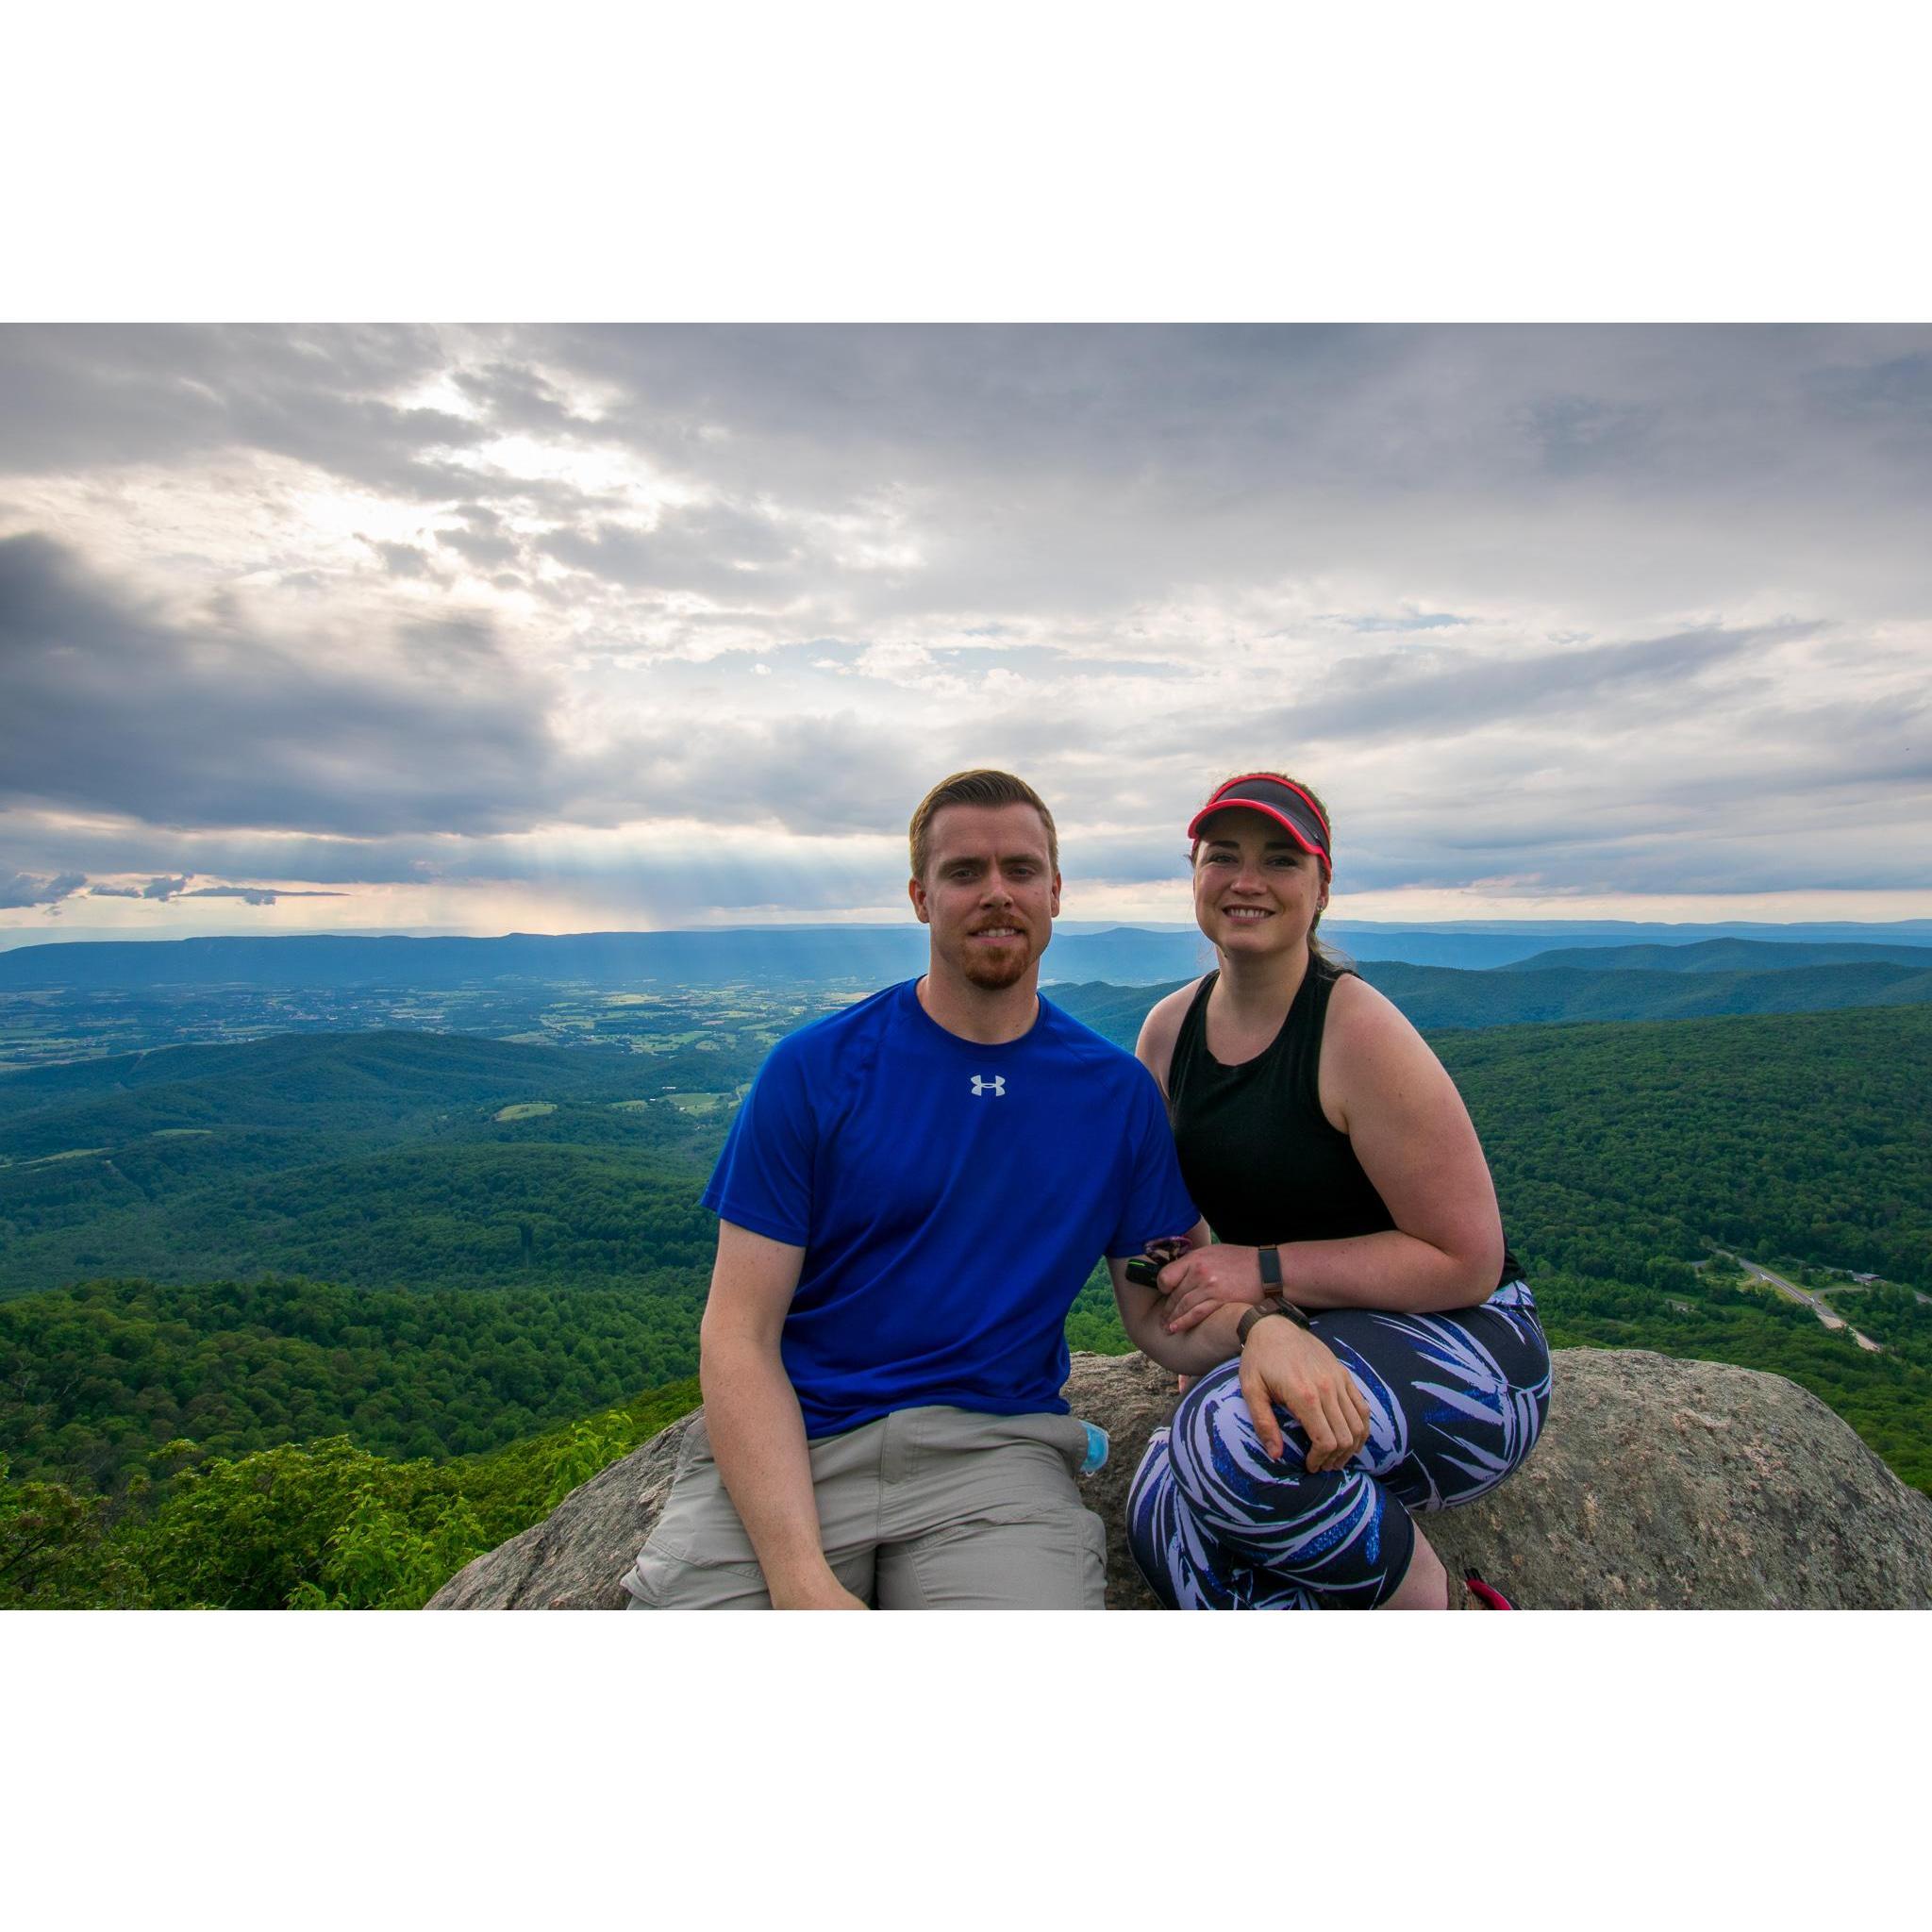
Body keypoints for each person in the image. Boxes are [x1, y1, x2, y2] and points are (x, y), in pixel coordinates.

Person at [622, 769, 1203, 1609]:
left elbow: (1168, 1306)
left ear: (1055, 892)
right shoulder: (814, 1072)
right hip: (801, 1446)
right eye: (964, 872)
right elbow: (738, 1334)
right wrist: (797, 1578)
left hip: (995, 1462)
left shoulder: (1115, 1097)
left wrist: (1267, 1333)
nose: (996, 893)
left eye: (1020, 870)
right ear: (921, 897)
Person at [1109, 772, 1552, 1609]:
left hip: (1469, 1345)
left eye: (1280, 859)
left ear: (1321, 887)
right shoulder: (1169, 1033)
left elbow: (1466, 1258)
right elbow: (1179, 1243)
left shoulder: (1356, 1032)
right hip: (1303, 1338)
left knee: (1226, 1442)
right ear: (1195, 874)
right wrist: (1231, 1329)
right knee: (1159, 1512)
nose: (1247, 880)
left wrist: (1262, 1272)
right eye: (1223, 856)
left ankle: (1439, 1602)